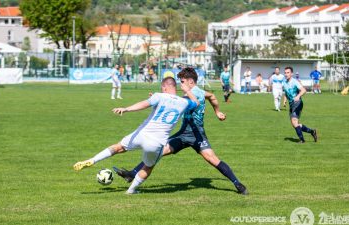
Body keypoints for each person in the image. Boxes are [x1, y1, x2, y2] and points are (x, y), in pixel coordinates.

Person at [114, 67, 248, 195]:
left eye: (182, 82)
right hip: (184, 135)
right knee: (158, 152)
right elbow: (212, 96)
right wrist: (217, 112)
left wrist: (161, 98)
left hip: (197, 135)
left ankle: (238, 184)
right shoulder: (200, 92)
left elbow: (178, 102)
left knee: (212, 159)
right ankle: (132, 174)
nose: (180, 84)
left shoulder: (194, 94)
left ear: (191, 82)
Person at [73, 77, 199, 194]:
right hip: (156, 142)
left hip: (142, 134)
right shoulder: (184, 102)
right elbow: (196, 103)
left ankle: (92, 160)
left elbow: (144, 104)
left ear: (165, 87)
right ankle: (131, 191)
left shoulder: (159, 96)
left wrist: (126, 109)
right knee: (148, 166)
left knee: (119, 147)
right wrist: (188, 91)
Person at [282, 67, 318, 144]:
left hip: (298, 103)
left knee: (294, 122)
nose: (286, 74)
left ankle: (302, 140)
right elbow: (286, 92)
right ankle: (312, 131)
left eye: (288, 72)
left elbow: (304, 90)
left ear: (291, 73)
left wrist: (298, 96)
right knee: (295, 124)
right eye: (285, 72)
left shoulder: (295, 82)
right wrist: (284, 100)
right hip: (291, 104)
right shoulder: (284, 82)